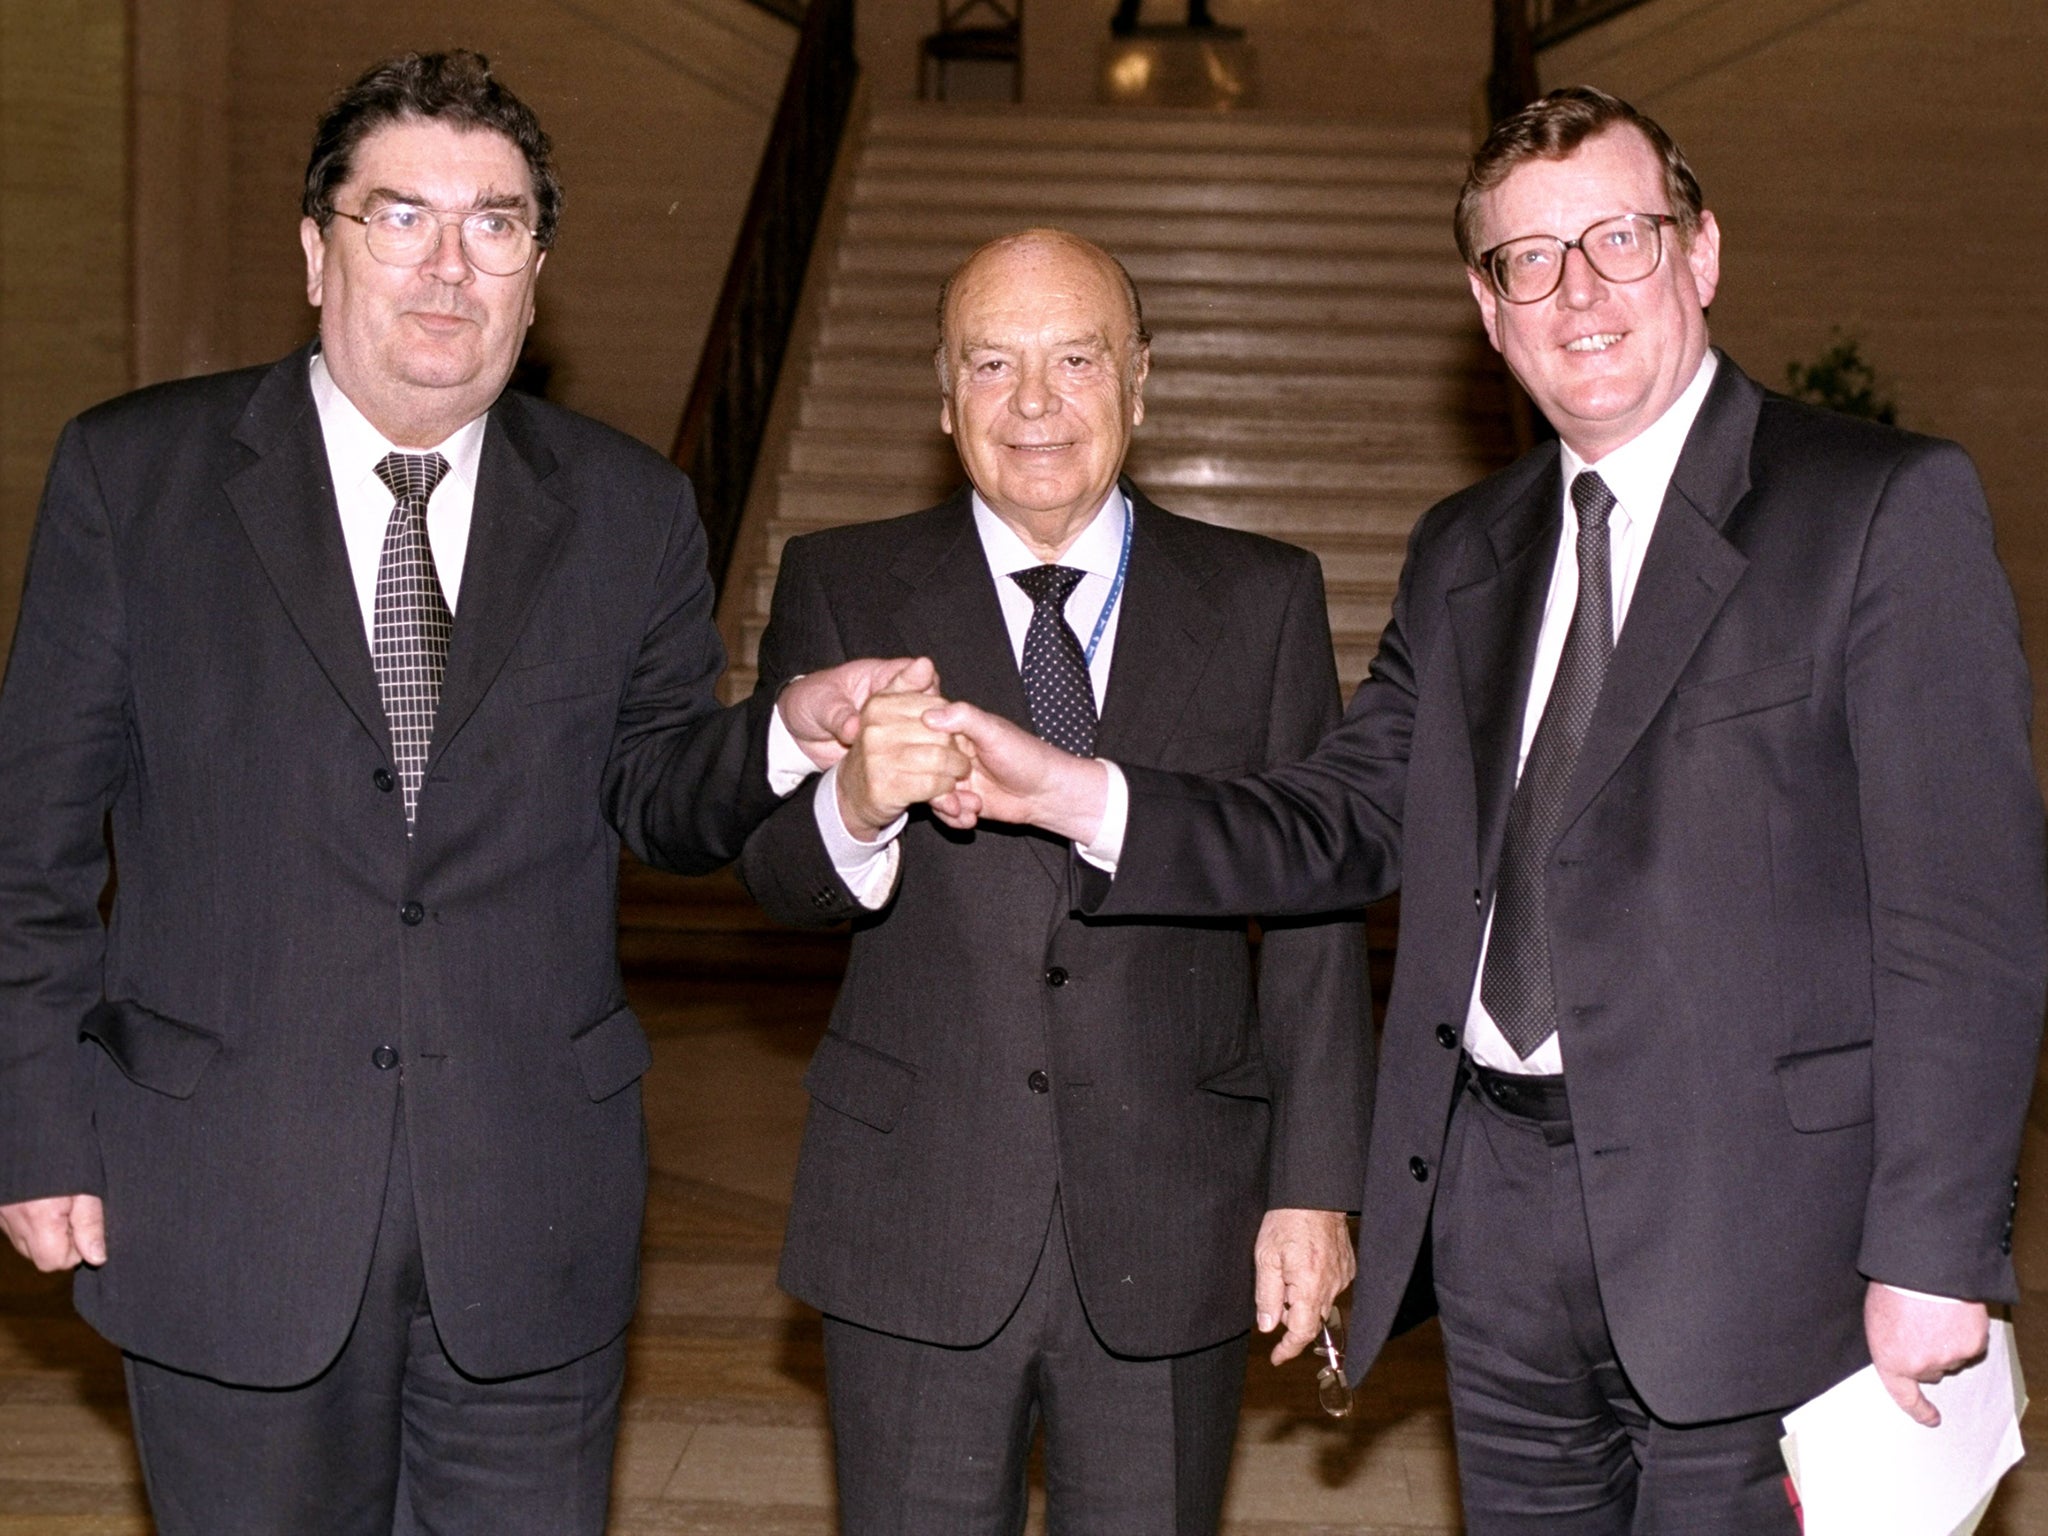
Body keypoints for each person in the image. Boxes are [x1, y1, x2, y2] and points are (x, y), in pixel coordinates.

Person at [925, 90, 2047, 1532]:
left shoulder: (1877, 508)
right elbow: (1338, 823)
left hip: (1770, 1239)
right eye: (1530, 259)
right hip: (1498, 1224)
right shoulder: (1470, 550)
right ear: (1488, 308)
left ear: (1700, 253)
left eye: (1618, 240)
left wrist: (1937, 1250)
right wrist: (1079, 789)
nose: (1578, 291)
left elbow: (1968, 916)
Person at [0, 50, 931, 1536]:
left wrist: (782, 737)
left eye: (495, 225)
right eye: (402, 218)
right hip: (226, 1202)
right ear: (316, 250)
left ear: (536, 269)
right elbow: (28, 855)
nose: (450, 268)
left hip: (529, 1215)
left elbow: (656, 791)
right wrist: (37, 1130)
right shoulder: (137, 478)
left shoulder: (628, 508)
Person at [738, 227, 1370, 1534]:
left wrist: (1312, 1190)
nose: (1034, 405)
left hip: (1177, 1217)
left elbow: (1312, 914)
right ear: (943, 389)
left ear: (1138, 380)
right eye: (993, 363)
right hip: (916, 1218)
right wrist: (851, 805)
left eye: (1074, 359)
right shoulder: (844, 584)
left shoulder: (1260, 599)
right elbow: (775, 883)